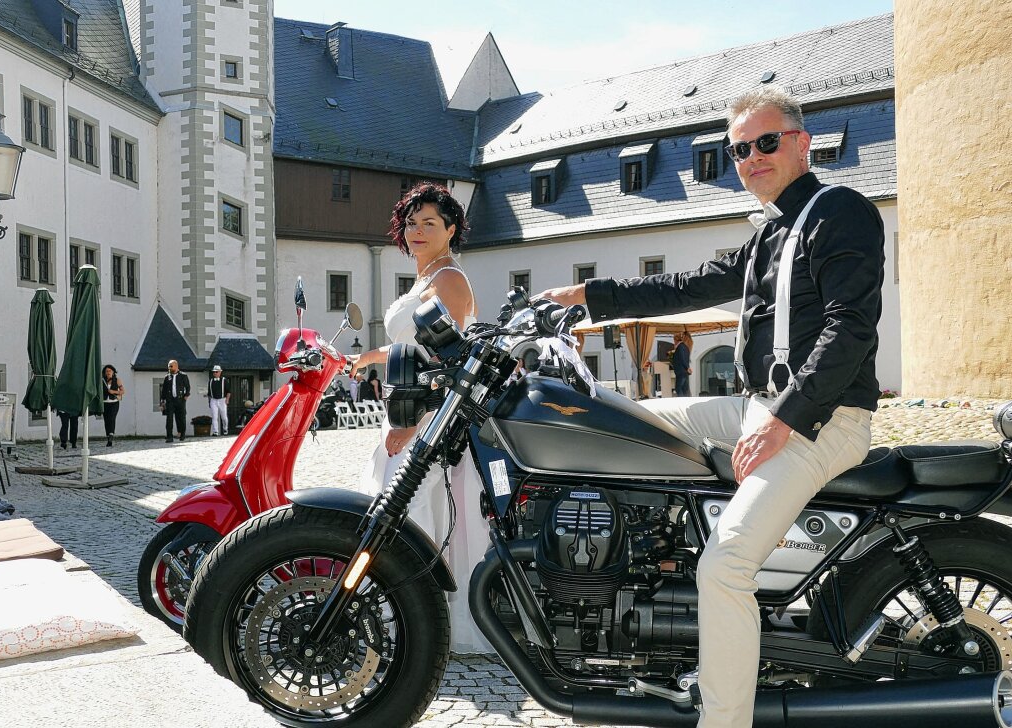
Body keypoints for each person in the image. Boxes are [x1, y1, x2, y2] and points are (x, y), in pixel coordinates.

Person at [538, 85, 883, 728]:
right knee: (619, 420)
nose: (752, 157)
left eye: (766, 142)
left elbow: (850, 328)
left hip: (825, 419)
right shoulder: (770, 234)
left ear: (802, 143)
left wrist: (788, 419)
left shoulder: (841, 214)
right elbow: (686, 284)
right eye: (739, 149)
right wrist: (585, 295)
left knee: (725, 565)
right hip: (759, 408)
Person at [347, 182, 488, 653]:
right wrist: (365, 359)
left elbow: (442, 360)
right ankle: (399, 615)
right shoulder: (427, 279)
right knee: (395, 509)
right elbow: (409, 346)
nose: (418, 230)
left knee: (414, 511)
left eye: (430, 223)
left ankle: (416, 621)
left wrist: (410, 424)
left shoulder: (449, 279)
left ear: (451, 229)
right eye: (411, 222)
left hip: (426, 414)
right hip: (408, 405)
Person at [159, 359, 191, 443]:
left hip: (180, 399)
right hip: (170, 400)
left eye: (171, 366)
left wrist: (186, 396)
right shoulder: (167, 377)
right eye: (168, 366)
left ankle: (182, 434)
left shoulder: (183, 375)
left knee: (181, 418)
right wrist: (162, 401)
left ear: (176, 366)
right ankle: (169, 436)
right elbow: (164, 390)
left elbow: (188, 387)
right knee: (169, 419)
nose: (169, 368)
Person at [101, 364, 125, 446]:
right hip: (104, 403)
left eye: (110, 371)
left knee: (112, 418)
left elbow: (122, 391)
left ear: (113, 372)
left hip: (114, 403)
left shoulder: (117, 380)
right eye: (106, 371)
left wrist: (114, 392)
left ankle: (111, 434)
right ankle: (108, 436)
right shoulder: (102, 380)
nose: (108, 372)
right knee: (106, 420)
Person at [207, 365, 230, 436]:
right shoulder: (210, 381)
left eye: (216, 372)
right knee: (214, 416)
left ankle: (225, 429)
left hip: (222, 400)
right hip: (213, 400)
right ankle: (215, 431)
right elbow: (209, 393)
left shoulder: (224, 380)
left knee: (224, 417)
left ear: (220, 372)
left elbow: (228, 391)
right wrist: (209, 402)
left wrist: (227, 400)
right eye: (214, 372)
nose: (215, 373)